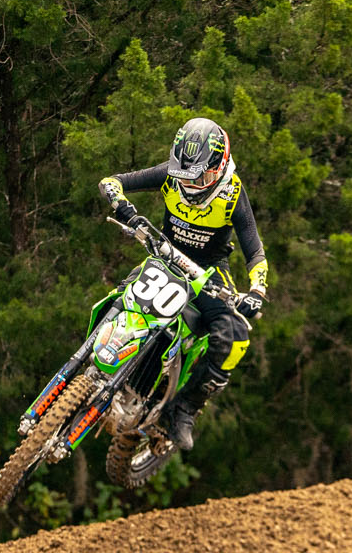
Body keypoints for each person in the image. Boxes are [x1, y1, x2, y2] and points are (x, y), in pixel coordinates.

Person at [99, 118, 268, 450]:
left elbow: (255, 252)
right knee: (121, 295)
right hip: (164, 257)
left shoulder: (233, 193)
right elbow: (111, 182)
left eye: (198, 176)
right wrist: (123, 207)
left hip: (208, 272)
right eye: (184, 174)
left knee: (234, 336)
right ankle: (94, 359)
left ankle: (184, 409)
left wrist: (257, 292)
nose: (189, 183)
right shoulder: (170, 175)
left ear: (219, 166)